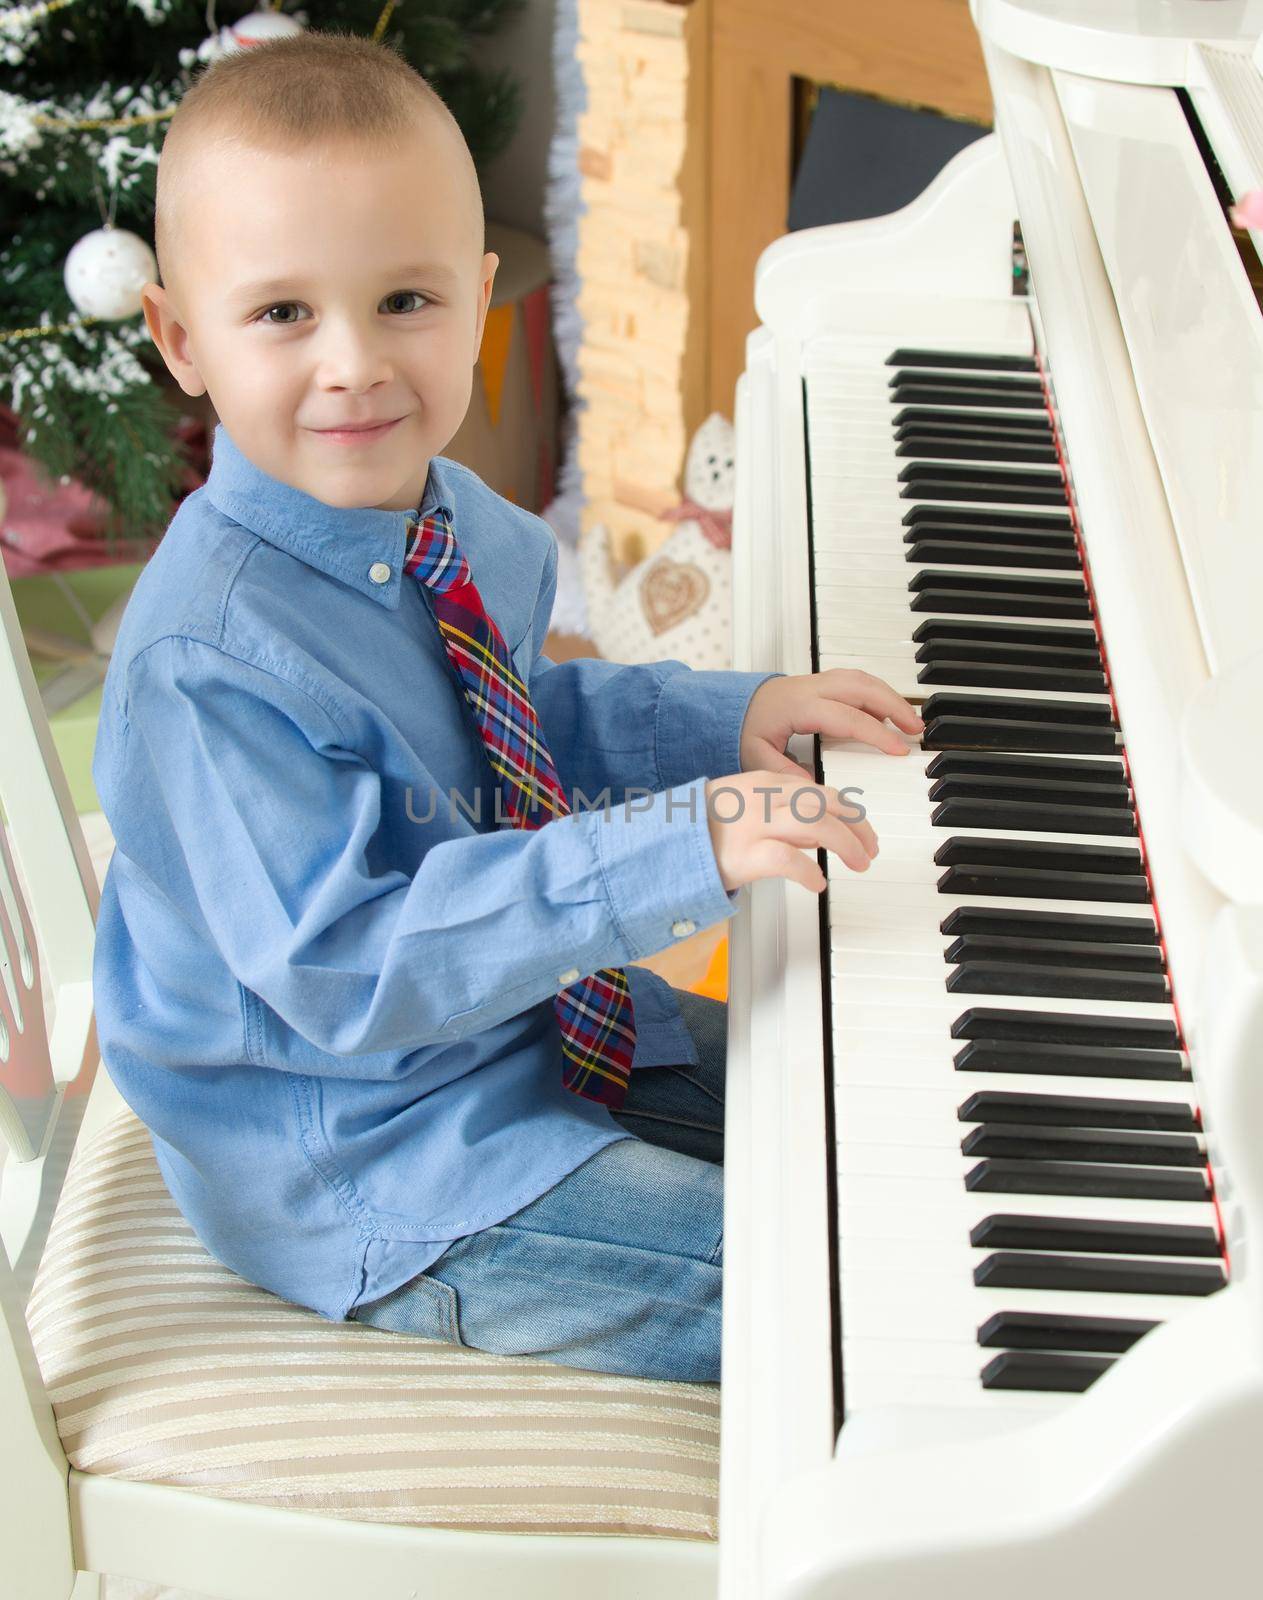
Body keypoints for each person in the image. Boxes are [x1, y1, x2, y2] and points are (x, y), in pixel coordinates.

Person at [92, 30, 923, 1387]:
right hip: (372, 1158)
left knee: (875, 1114)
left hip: (525, 1017)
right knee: (844, 1301)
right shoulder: (206, 662)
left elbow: (516, 727)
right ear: (183, 339)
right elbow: (348, 966)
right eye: (283, 313)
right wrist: (680, 850)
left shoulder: (455, 523)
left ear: (477, 291)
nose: (355, 363)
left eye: (405, 299)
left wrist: (733, 717)